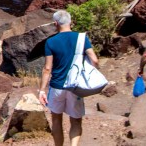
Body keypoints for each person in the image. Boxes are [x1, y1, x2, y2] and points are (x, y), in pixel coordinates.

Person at [39, 10, 100, 146]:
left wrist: (42, 90)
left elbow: (47, 68)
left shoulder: (50, 42)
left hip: (56, 86)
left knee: (56, 119)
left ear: (55, 24)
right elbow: (94, 60)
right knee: (76, 120)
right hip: (75, 86)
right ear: (71, 22)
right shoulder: (82, 38)